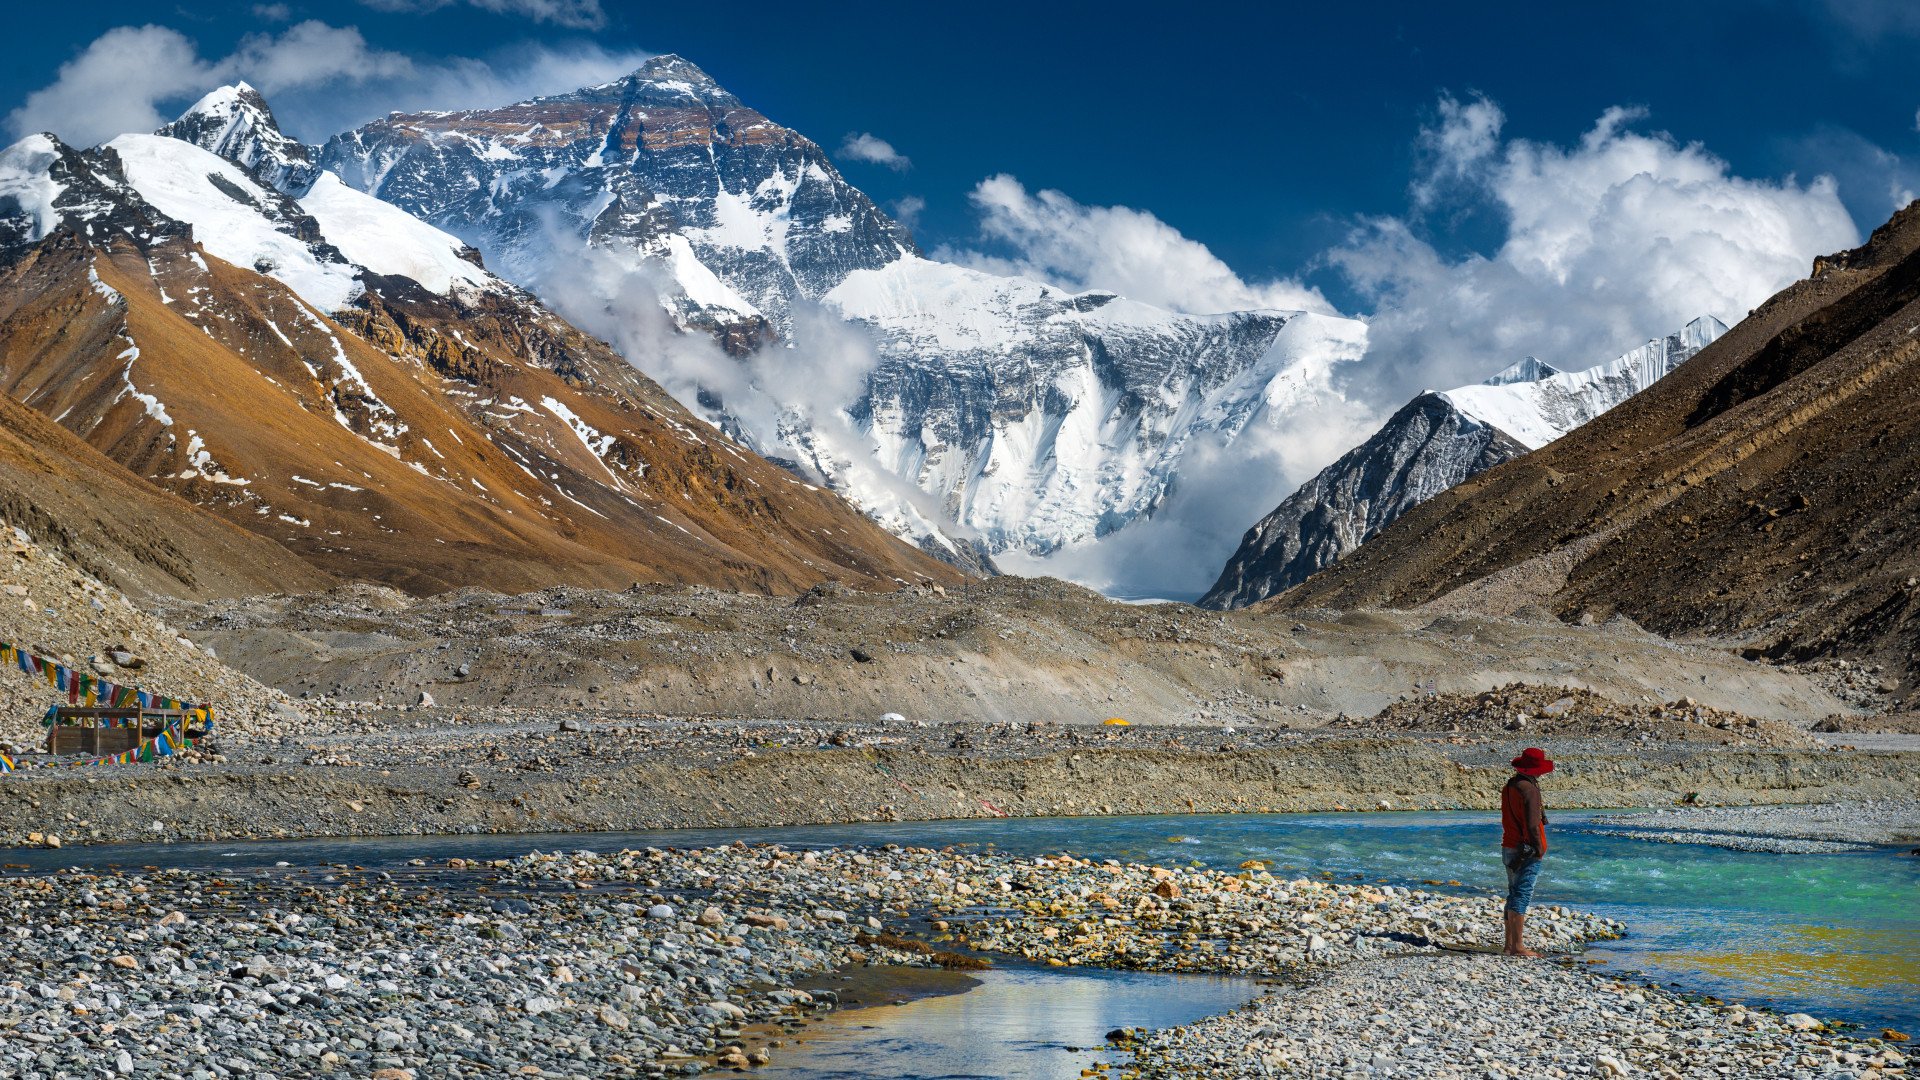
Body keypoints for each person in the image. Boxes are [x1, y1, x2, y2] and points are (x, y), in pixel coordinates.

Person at [1499, 746, 1553, 957]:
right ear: (1533, 770)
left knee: (1513, 893)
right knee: (1522, 895)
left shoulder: (1511, 785)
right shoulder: (1529, 789)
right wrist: (1538, 849)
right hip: (1525, 850)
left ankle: (1509, 945)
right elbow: (1532, 825)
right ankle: (1518, 947)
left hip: (1509, 845)